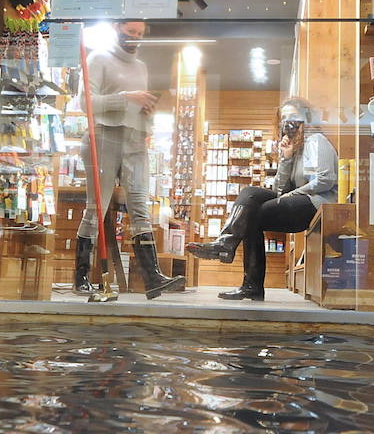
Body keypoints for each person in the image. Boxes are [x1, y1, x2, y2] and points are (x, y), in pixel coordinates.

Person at [75, 19, 185, 299]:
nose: (135, 37)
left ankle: (152, 276)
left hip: (135, 140)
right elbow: (85, 102)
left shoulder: (141, 67)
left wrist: (146, 112)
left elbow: (134, 105)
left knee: (140, 208)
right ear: (117, 28)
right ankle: (81, 276)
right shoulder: (98, 58)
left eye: (140, 33)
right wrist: (126, 98)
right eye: (130, 31)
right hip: (104, 137)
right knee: (96, 208)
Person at [189, 97, 338, 301]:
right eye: (284, 118)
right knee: (249, 194)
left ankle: (235, 259)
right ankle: (230, 249)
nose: (288, 122)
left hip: (316, 204)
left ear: (306, 117)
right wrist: (286, 158)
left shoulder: (316, 141)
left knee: (253, 215)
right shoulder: (296, 148)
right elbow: (279, 189)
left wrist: (292, 194)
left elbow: (325, 180)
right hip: (298, 202)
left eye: (293, 116)